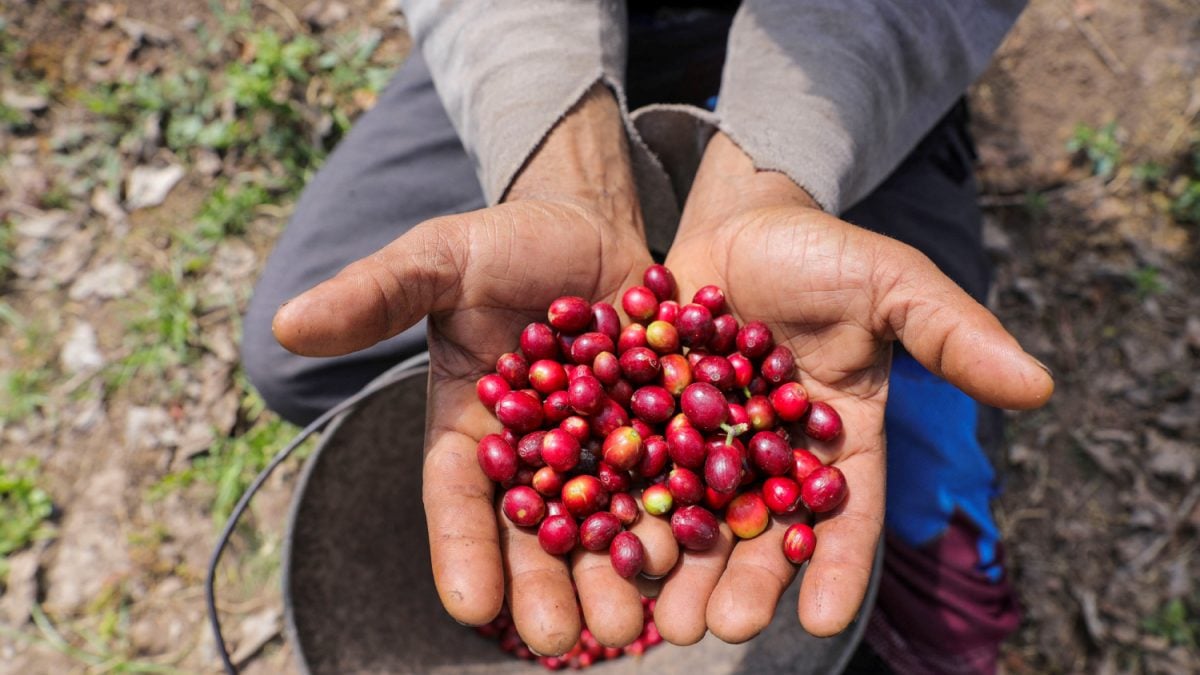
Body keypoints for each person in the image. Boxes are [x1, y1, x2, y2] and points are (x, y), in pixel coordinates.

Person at [241, 2, 1053, 672]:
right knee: (297, 363)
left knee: (943, 606)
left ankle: (898, 379)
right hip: (548, 34)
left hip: (859, 46)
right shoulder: (624, 417)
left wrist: (779, 172)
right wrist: (560, 162)